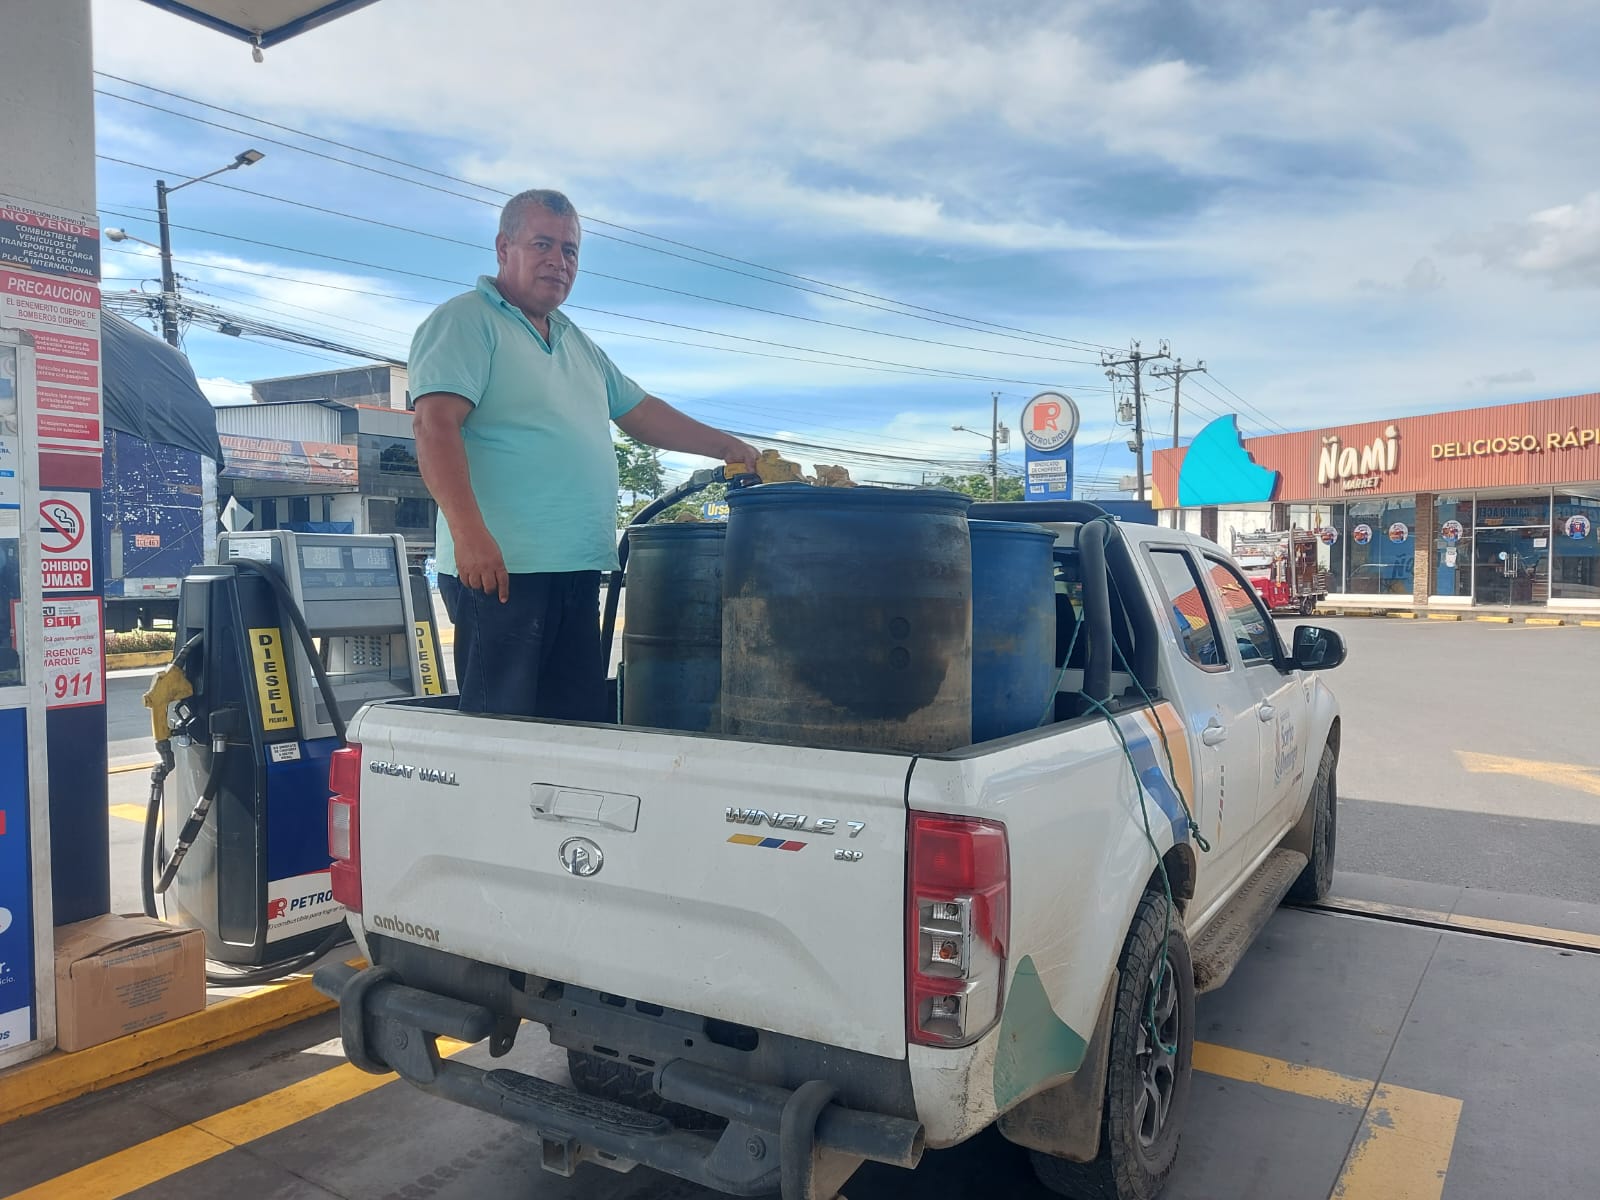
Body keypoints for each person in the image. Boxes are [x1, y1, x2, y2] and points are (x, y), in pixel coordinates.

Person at [411, 188, 758, 719]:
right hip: (502, 570)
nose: (559, 260)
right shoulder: (466, 321)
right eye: (542, 244)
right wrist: (468, 535)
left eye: (569, 249)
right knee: (502, 728)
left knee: (572, 727)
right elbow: (434, 427)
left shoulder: (576, 341)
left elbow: (640, 411)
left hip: (574, 565)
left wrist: (726, 446)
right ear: (504, 248)